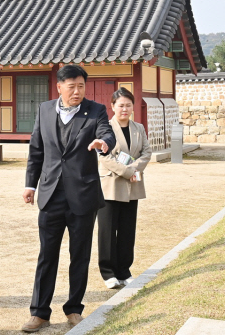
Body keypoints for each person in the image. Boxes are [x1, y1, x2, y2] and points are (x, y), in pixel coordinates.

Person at [21, 64, 116, 332]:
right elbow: (36, 151)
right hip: (51, 196)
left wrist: (104, 143)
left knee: (80, 255)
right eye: (71, 86)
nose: (77, 91)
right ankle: (39, 312)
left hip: (83, 196)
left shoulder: (95, 110)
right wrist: (30, 184)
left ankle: (74, 309)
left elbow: (105, 132)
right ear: (59, 87)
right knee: (46, 255)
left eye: (81, 86)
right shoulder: (45, 109)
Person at [97, 87, 151, 289]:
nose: (125, 109)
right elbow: (105, 157)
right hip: (110, 184)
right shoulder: (105, 129)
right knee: (107, 231)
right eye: (121, 105)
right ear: (112, 107)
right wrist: (129, 171)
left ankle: (124, 270)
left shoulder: (139, 128)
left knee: (128, 230)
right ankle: (108, 273)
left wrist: (134, 168)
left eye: (128, 105)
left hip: (133, 186)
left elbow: (146, 152)